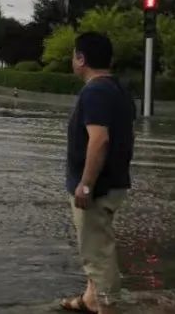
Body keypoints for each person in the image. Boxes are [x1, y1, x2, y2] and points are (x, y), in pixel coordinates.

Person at [60, 32, 135, 314]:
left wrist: (86, 184)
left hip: (98, 188)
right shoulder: (117, 88)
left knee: (97, 255)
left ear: (81, 59)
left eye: (73, 55)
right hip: (112, 182)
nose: (72, 60)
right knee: (95, 245)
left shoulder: (95, 91)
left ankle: (105, 306)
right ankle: (90, 299)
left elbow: (100, 139)